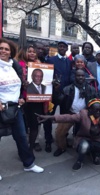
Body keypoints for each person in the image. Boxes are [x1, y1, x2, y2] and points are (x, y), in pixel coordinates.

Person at [36, 98, 100, 171]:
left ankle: (94, 154)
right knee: (84, 146)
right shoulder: (83, 115)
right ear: (89, 110)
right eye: (95, 110)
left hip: (98, 140)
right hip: (84, 139)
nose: (98, 112)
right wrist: (50, 117)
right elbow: (67, 117)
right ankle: (80, 160)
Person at [0, 38, 44, 179]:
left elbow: (17, 84)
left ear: (11, 52)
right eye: (1, 48)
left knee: (21, 137)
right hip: (1, 108)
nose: (3, 51)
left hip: (15, 107)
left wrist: (20, 96)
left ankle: (28, 164)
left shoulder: (14, 66)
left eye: (6, 49)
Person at [53, 69, 97, 156]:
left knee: (92, 131)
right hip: (70, 113)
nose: (80, 77)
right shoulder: (68, 89)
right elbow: (58, 100)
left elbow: (96, 102)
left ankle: (89, 149)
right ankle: (62, 147)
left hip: (85, 114)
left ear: (85, 77)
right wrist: (56, 90)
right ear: (75, 77)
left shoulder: (91, 89)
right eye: (78, 75)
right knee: (59, 132)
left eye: (82, 75)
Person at [43, 40, 72, 152]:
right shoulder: (51, 60)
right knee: (49, 117)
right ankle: (48, 140)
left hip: (66, 95)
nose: (62, 48)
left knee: (64, 118)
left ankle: (62, 138)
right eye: (60, 46)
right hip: (53, 95)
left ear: (66, 49)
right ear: (58, 48)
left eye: (64, 47)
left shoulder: (70, 62)